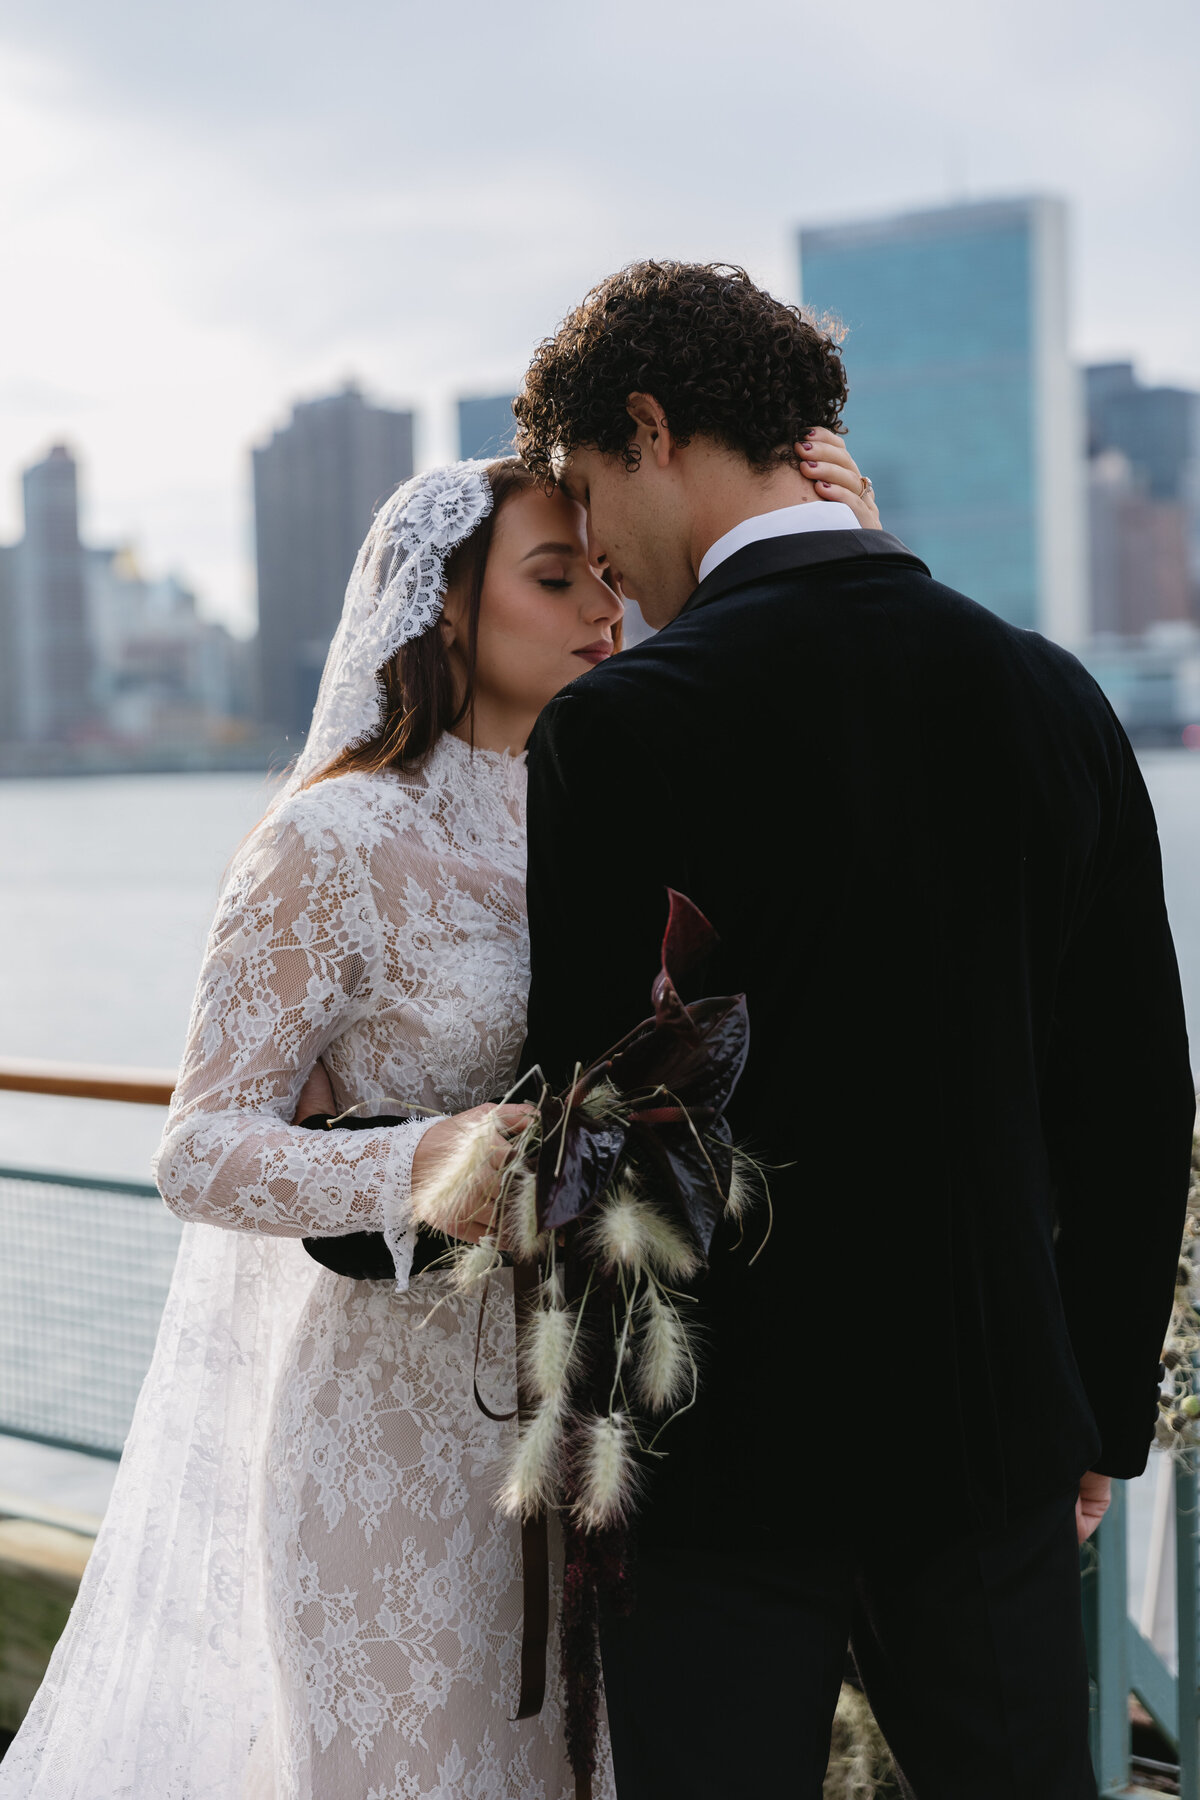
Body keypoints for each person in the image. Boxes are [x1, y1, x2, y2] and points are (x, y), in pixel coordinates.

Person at [0, 442, 878, 1800]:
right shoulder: (330, 841)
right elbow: (199, 1147)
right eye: (552, 576)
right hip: (388, 1448)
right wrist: (425, 1161)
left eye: (606, 573)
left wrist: (843, 535)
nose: (603, 605)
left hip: (598, 1436)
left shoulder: (624, 810)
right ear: (444, 608)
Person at [512, 260, 1196, 1800]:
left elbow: (589, 1121)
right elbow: (1140, 1100)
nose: (599, 560)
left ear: (648, 426)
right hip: (997, 1445)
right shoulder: (1053, 698)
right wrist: (1091, 1413)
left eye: (587, 498)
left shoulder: (622, 729)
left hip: (716, 1471)